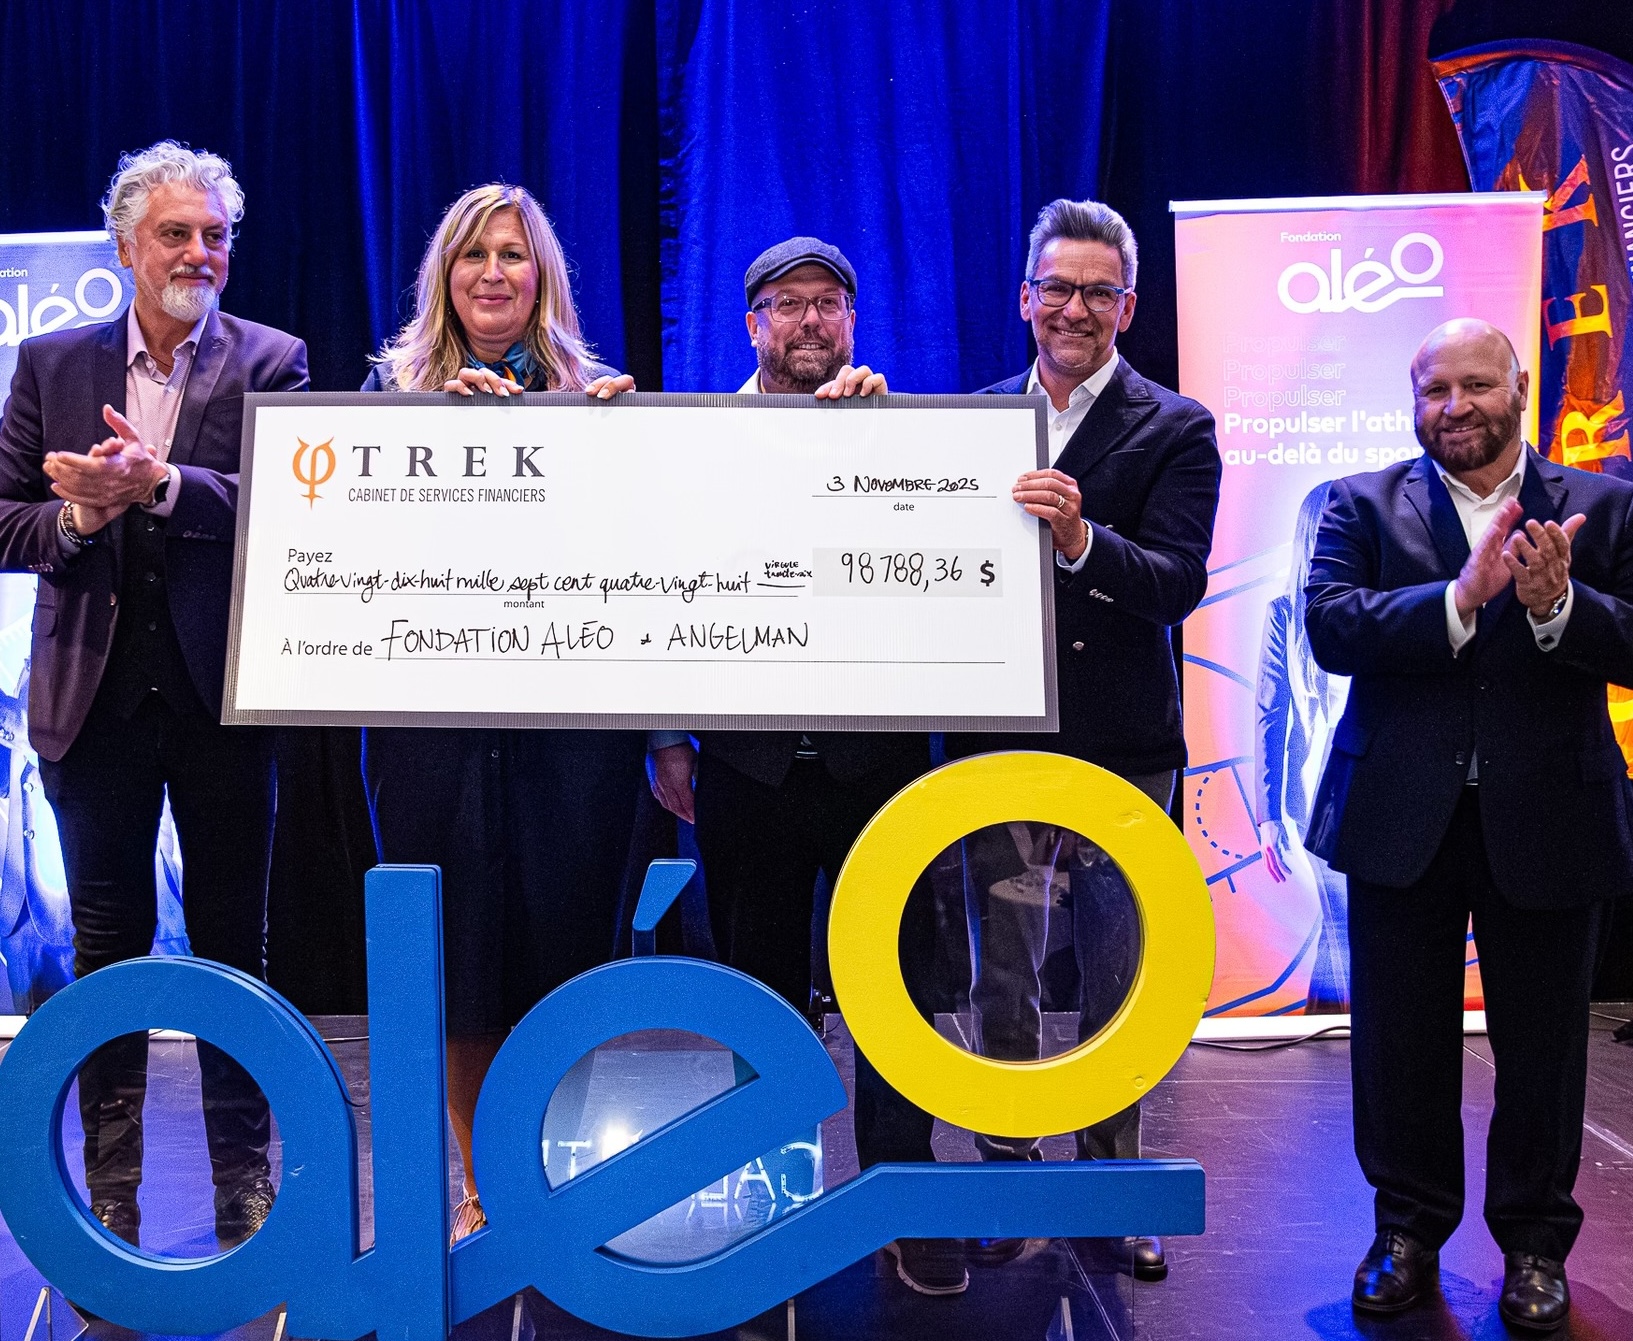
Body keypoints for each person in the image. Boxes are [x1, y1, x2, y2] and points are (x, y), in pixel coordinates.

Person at [0, 141, 307, 1248]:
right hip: (91, 704)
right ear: (126, 246)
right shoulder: (49, 366)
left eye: (215, 234)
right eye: (176, 233)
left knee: (234, 945)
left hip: (223, 702)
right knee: (106, 953)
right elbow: (4, 523)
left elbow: (285, 505)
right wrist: (83, 516)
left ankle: (244, 1184)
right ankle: (113, 1196)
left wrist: (161, 484)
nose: (199, 253)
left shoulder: (272, 359)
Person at [1304, 318, 1633, 1332]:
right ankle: (1403, 1234)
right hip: (1400, 815)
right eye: (1434, 389)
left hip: (1551, 813)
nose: (1454, 408)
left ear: (1519, 388)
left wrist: (1555, 608)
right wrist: (1457, 598)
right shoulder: (1356, 504)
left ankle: (1534, 1248)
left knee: (1542, 1047)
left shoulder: (1601, 506)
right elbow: (1331, 627)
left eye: (1475, 385)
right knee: (1397, 1044)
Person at [646, 238, 952, 1295]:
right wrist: (666, 734)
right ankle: (770, 1204)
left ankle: (904, 1202)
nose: (812, 323)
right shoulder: (700, 442)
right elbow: (661, 583)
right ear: (751, 326)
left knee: (890, 993)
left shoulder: (901, 435)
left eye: (830, 304)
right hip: (746, 766)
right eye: (789, 306)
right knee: (759, 989)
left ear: (854, 323)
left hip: (880, 767)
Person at [941, 198, 1221, 1283]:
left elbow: (1178, 583)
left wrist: (1077, 539)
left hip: (1121, 747)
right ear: (1023, 299)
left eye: (1097, 292)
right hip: (995, 745)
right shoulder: (964, 423)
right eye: (1055, 287)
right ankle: (1010, 1174)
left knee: (1115, 978)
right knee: (998, 975)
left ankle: (1111, 1191)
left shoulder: (1174, 425)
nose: (1074, 308)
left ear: (1128, 307)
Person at [360, 183, 642, 1244]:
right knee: (460, 959)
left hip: (573, 729)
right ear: (445, 274)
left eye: (513, 255)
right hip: (429, 730)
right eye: (472, 253)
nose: (492, 272)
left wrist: (617, 458)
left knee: (560, 951)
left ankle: (553, 1180)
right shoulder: (383, 399)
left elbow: (641, 568)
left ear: (542, 277)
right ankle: (480, 1189)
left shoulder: (598, 398)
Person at [1255, 479, 1351, 1011]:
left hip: (1385, 784)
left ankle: (1328, 1015)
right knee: (1342, 915)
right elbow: (1272, 716)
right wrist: (1268, 813)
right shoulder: (1286, 613)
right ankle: (1344, 1023)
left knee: (1349, 920)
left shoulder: (1376, 601)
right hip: (1318, 794)